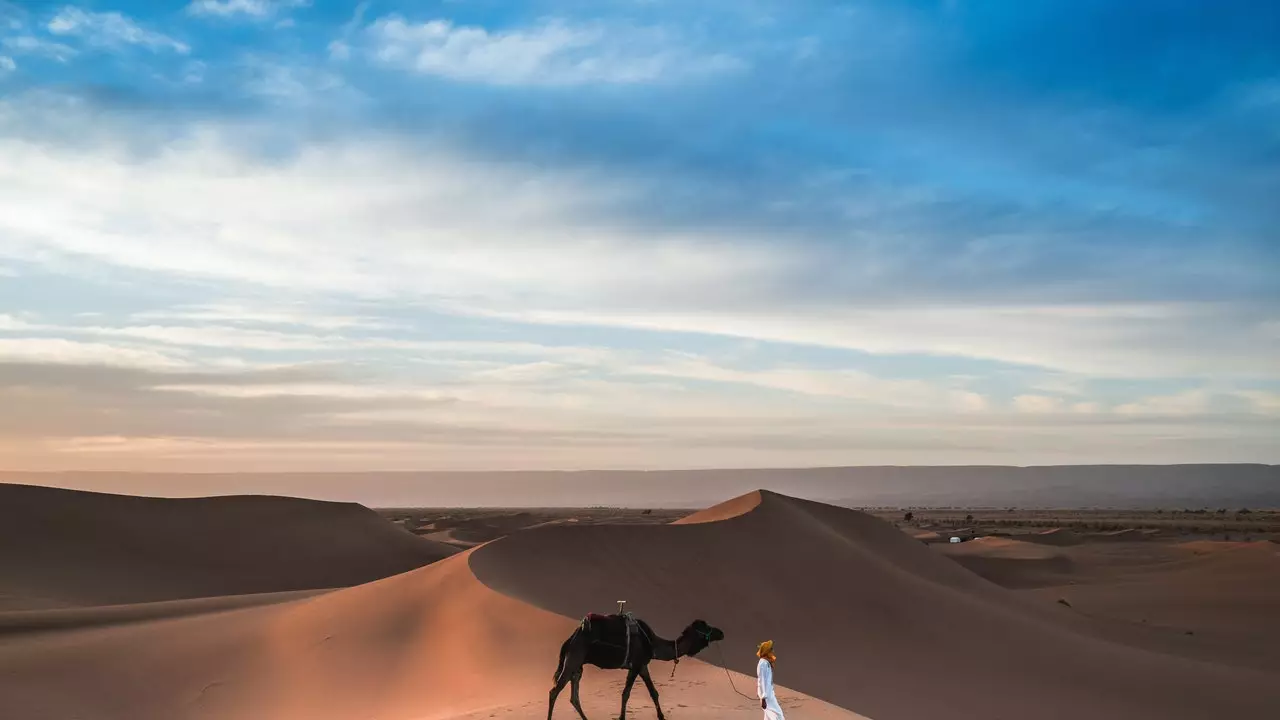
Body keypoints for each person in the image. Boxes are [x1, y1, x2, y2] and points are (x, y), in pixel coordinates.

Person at [756, 640, 785, 720]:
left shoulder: (766, 662)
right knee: (779, 716)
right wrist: (763, 697)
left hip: (769, 694)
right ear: (767, 651)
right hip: (767, 696)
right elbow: (762, 680)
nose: (772, 651)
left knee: (769, 717)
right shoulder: (763, 663)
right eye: (771, 649)